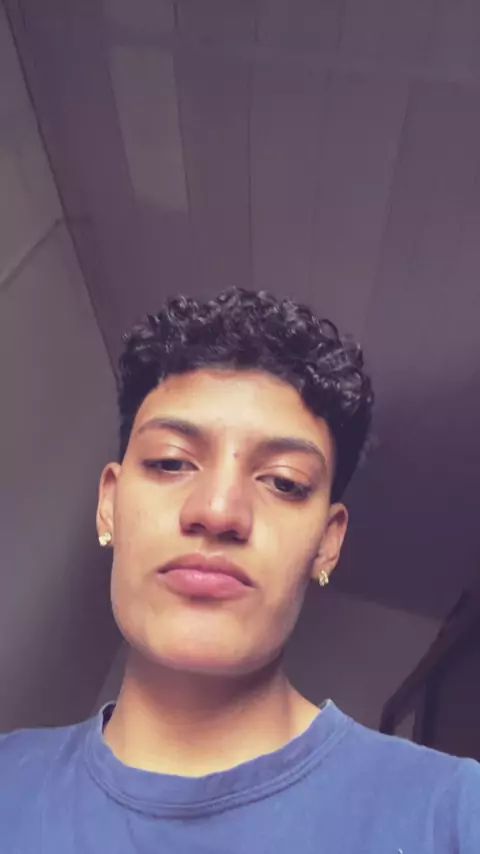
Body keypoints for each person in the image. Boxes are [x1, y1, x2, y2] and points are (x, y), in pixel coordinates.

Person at [1, 287, 478, 852]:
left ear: (327, 543)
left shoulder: (453, 812)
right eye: (170, 462)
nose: (219, 511)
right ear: (110, 504)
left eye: (284, 482)